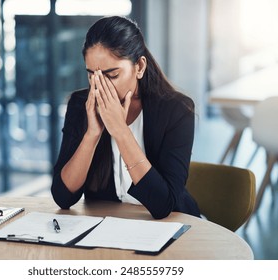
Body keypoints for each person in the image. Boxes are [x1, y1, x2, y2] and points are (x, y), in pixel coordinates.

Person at [51, 16, 200, 219]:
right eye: (92, 76)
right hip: (108, 227)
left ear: (139, 67)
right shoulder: (80, 105)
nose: (101, 87)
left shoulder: (176, 110)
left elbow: (164, 205)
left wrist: (120, 131)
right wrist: (92, 134)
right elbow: (62, 198)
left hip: (170, 225)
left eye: (112, 75)